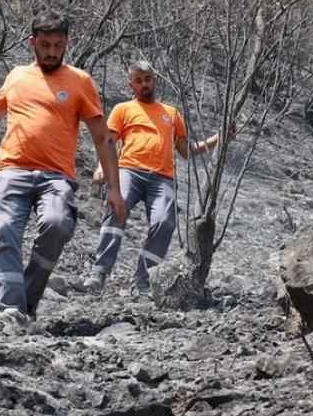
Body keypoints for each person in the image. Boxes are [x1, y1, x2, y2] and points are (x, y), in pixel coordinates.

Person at [0, 13, 125, 326]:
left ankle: (27, 302)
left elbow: (102, 137)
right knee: (5, 230)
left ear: (66, 44)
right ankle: (10, 310)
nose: (51, 51)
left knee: (58, 224)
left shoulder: (80, 81)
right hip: (11, 169)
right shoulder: (17, 76)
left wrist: (114, 188)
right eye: (45, 44)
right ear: (32, 42)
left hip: (57, 175)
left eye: (58, 45)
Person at [78, 60, 229, 295]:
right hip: (129, 170)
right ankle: (99, 272)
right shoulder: (123, 109)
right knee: (117, 209)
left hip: (162, 177)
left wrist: (217, 138)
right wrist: (101, 167)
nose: (144, 84)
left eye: (147, 79)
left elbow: (186, 151)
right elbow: (108, 142)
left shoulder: (171, 113)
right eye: (138, 81)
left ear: (154, 80)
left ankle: (144, 279)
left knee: (164, 223)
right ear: (131, 84)